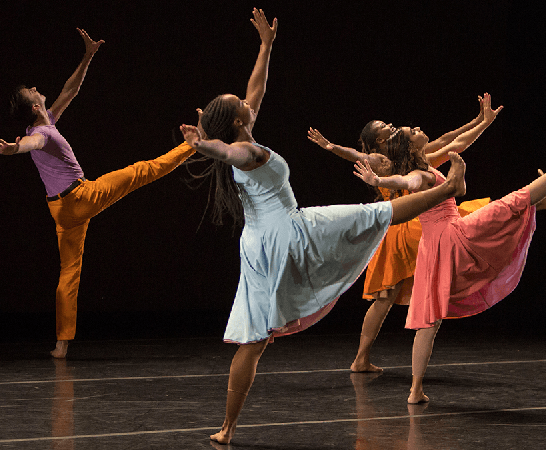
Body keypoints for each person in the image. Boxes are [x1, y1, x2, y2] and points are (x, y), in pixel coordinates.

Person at [178, 9, 468, 445]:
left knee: (254, 339)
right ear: (238, 122)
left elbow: (254, 91)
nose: (247, 100)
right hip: (290, 232)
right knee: (375, 215)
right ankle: (452, 189)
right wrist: (206, 147)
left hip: (257, 245)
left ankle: (228, 428)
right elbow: (229, 151)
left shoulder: (243, 131)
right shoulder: (245, 151)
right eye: (241, 106)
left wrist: (266, 46)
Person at [353, 94, 546, 404]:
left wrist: (480, 126)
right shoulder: (406, 167)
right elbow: (408, 181)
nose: (417, 128)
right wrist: (374, 174)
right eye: (410, 130)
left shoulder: (421, 160)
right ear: (385, 142)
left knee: (427, 319)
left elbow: (453, 150)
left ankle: (415, 389)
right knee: (512, 202)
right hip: (438, 234)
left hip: (430, 245)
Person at [0, 28, 195, 359]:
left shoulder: (44, 122)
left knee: (69, 272)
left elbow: (70, 91)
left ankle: (61, 344)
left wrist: (87, 56)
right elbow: (32, 144)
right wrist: (15, 150)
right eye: (34, 91)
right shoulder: (39, 133)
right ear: (35, 105)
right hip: (79, 198)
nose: (39, 90)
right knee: (141, 171)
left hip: (60, 211)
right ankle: (192, 145)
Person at [307, 95, 494, 373]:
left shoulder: (414, 158)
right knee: (467, 218)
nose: (392, 125)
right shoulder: (383, 160)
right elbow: (357, 155)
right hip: (402, 230)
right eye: (384, 126)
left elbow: (450, 141)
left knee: (385, 298)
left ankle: (361, 358)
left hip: (401, 228)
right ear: (378, 140)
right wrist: (332, 147)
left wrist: (480, 120)